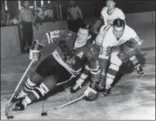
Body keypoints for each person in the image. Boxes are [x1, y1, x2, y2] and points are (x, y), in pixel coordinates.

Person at [12, 24, 101, 111]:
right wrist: (36, 49)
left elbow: (95, 71)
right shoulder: (68, 35)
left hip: (68, 70)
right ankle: (23, 93)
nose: (80, 36)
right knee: (34, 77)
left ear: (89, 37)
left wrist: (93, 87)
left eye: (83, 34)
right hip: (54, 58)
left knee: (48, 83)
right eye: (79, 32)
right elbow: (47, 36)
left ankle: (25, 101)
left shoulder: (90, 51)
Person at [96, 18, 143, 96]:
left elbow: (138, 45)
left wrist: (127, 53)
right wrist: (102, 79)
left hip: (122, 42)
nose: (118, 34)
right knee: (115, 62)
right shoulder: (107, 38)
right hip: (102, 41)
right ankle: (107, 85)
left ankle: (136, 64)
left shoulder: (129, 31)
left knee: (126, 50)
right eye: (116, 31)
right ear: (112, 28)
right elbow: (103, 63)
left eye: (120, 31)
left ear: (124, 28)